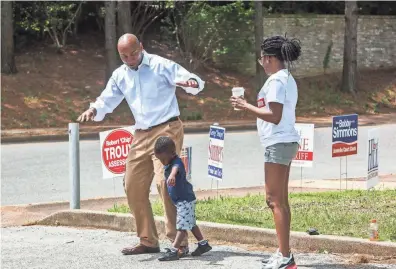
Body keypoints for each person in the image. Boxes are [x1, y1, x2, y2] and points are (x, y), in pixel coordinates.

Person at [77, 33, 205, 256]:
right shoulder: (120, 75)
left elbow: (191, 80)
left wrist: (191, 83)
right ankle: (148, 240)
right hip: (141, 133)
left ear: (141, 47)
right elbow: (107, 99)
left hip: (166, 129)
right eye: (124, 56)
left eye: (133, 54)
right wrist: (94, 110)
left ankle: (179, 244)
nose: (129, 59)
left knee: (167, 183)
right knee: (132, 185)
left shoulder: (160, 65)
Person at [230, 35, 301, 269]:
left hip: (278, 142)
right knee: (281, 201)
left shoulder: (277, 81)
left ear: (270, 58)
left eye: (262, 58)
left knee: (273, 201)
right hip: (284, 141)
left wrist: (245, 106)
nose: (261, 62)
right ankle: (283, 252)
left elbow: (275, 115)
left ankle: (286, 257)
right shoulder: (285, 78)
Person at [154, 136, 212, 261]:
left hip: (184, 201)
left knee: (181, 227)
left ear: (172, 153)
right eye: (160, 160)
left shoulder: (176, 162)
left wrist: (172, 175)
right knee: (191, 224)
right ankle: (203, 244)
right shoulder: (169, 162)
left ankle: (174, 251)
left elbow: (176, 168)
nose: (162, 162)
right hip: (183, 200)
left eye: (163, 159)